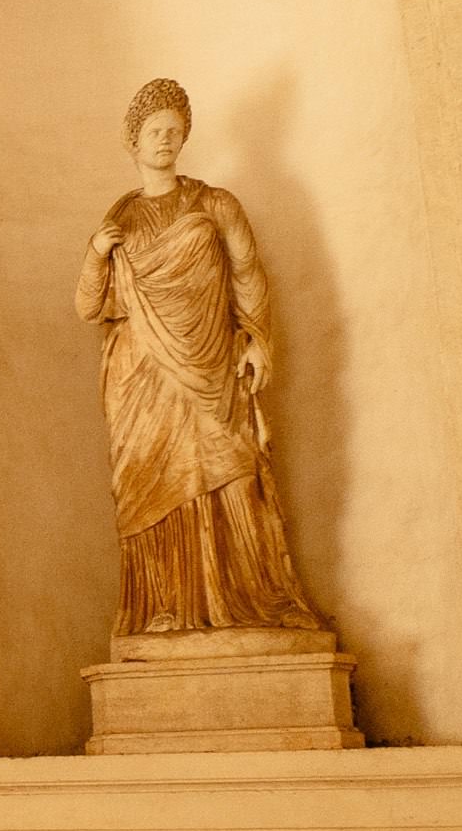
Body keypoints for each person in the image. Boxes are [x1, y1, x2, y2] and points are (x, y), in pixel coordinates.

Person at [74, 78, 324, 640]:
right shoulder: (120, 219)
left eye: (174, 130)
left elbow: (248, 273)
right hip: (140, 373)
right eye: (154, 131)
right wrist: (95, 253)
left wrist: (257, 338)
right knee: (151, 482)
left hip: (214, 364)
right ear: (133, 141)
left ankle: (251, 601)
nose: (165, 139)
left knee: (231, 469)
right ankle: (162, 608)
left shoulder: (215, 203)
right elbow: (89, 307)